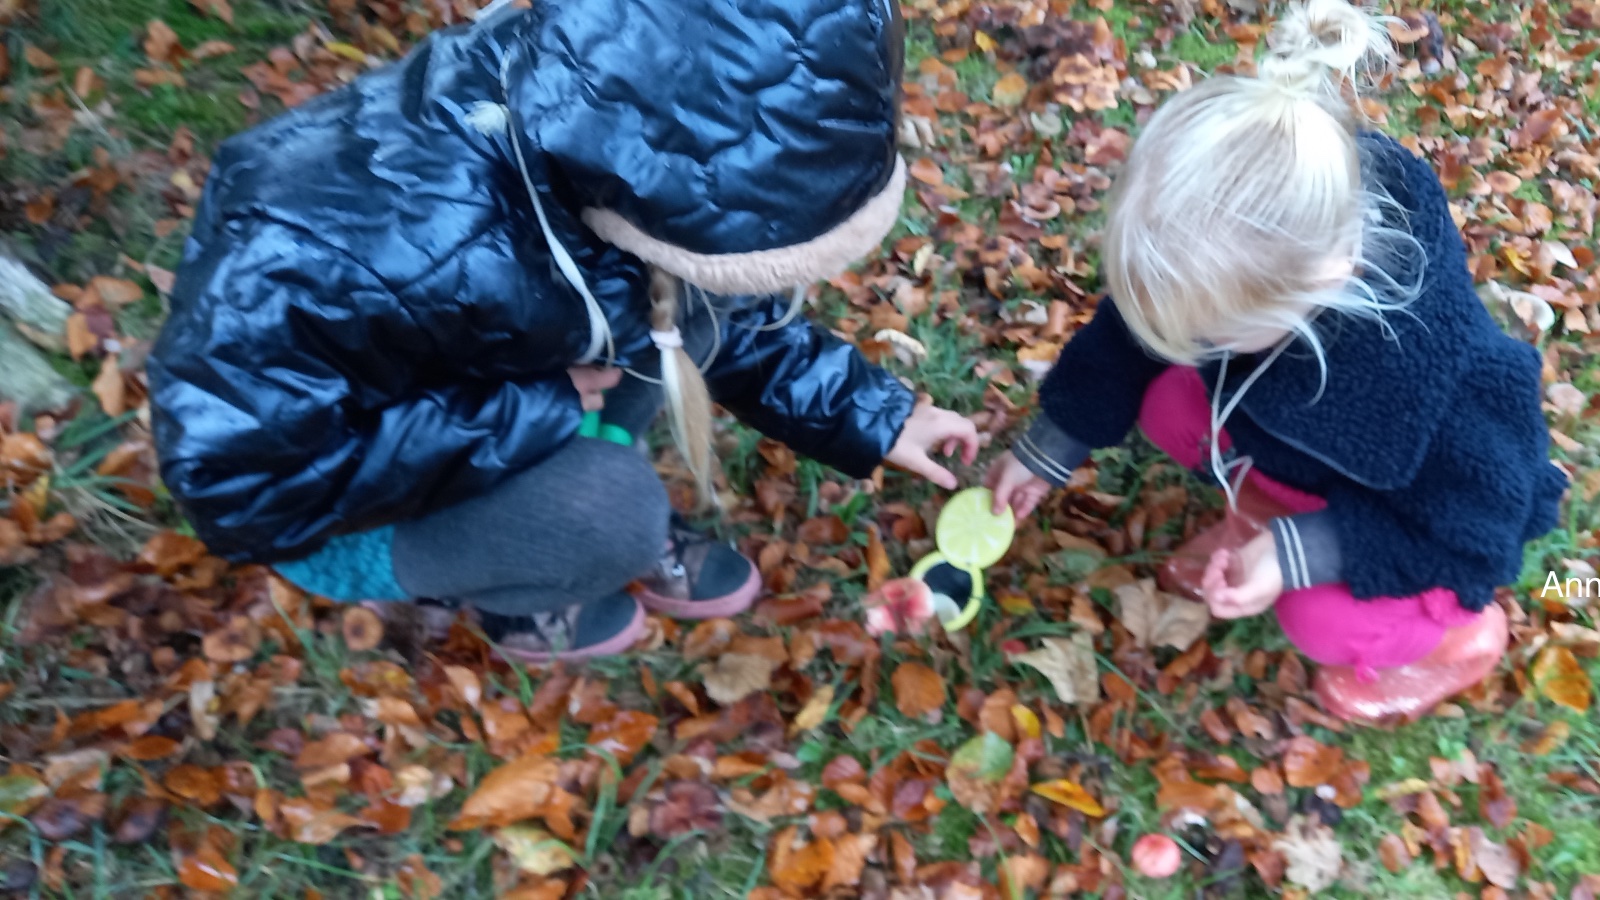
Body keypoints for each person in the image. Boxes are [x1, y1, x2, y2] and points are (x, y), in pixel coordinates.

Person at [148, 0, 978, 662]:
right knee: (613, 516)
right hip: (341, 503)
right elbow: (239, 488)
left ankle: (565, 516)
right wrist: (528, 413)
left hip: (486, 392)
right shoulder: (308, 249)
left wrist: (875, 415)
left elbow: (713, 305)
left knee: (656, 339)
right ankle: (528, 590)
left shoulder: (612, 147)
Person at [984, 0, 1568, 721]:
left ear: (1318, 284)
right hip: (1302, 448)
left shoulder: (1428, 391)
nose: (1191, 342)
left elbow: (1475, 537)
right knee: (1171, 402)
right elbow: (1132, 334)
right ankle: (1257, 512)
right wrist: (1051, 446)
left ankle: (1456, 642)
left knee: (1317, 622)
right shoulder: (1247, 266)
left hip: (1422, 532)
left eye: (1212, 335)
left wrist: (1302, 552)